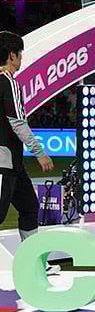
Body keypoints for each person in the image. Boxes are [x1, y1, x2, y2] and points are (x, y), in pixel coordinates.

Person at [0, 31, 54, 258]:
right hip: (4, 160)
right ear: (12, 55)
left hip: (14, 163)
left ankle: (33, 263)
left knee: (30, 207)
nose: (21, 58)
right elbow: (17, 123)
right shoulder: (8, 82)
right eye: (20, 54)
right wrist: (40, 153)